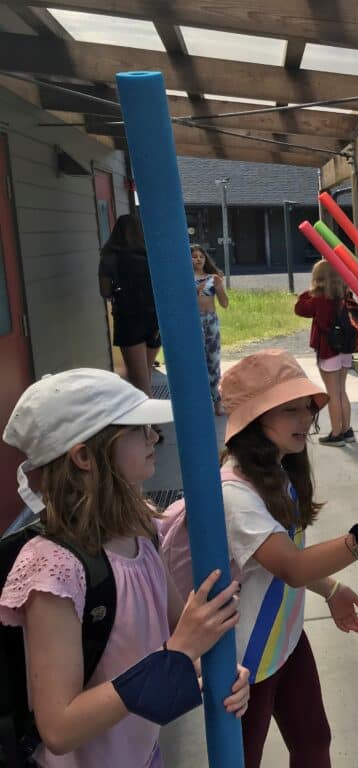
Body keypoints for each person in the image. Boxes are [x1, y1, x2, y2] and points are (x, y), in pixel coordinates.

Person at [0, 368, 249, 767]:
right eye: (137, 429)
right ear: (84, 456)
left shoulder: (140, 530)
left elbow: (178, 628)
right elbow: (59, 728)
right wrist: (177, 652)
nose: (153, 436)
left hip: (145, 755)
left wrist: (220, 670)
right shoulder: (53, 568)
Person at [217, 349, 358, 767]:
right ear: (255, 421)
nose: (307, 419)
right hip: (246, 664)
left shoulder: (278, 472)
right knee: (244, 758)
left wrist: (331, 588)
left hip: (286, 640)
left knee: (314, 741)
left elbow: (287, 556)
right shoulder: (235, 495)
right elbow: (292, 567)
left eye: (307, 408)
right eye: (290, 410)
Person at [294, 260, 358, 446]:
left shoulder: (318, 300)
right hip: (346, 348)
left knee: (332, 394)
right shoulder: (346, 297)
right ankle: (347, 431)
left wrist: (310, 291)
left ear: (318, 278)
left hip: (328, 350)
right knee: (341, 391)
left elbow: (299, 308)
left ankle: (336, 434)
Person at [98, 214, 161, 398]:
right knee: (146, 373)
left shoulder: (110, 257)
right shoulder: (151, 254)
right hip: (154, 318)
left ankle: (148, 425)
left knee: (137, 379)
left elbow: (105, 291)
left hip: (128, 318)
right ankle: (151, 422)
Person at [191, 245, 229, 416]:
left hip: (211, 320)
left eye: (201, 256)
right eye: (194, 256)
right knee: (197, 362)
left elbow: (225, 304)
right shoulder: (186, 278)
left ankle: (217, 401)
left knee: (213, 361)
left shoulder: (213, 278)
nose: (198, 259)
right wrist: (195, 291)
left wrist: (220, 287)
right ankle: (200, 401)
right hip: (194, 321)